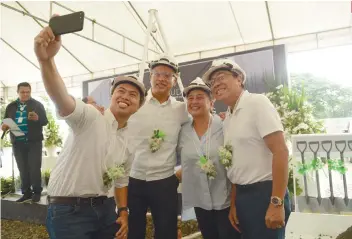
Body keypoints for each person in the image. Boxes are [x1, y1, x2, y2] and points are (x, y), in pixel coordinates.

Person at [34, 25, 146, 239]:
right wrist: (46, 61)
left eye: (133, 95)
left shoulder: (130, 139)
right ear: (111, 96)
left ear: (138, 106)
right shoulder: (91, 116)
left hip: (106, 210)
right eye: (120, 91)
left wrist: (123, 212)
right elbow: (61, 97)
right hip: (69, 212)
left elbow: (121, 180)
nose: (125, 96)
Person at [202, 59, 291, 239]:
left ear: (239, 79)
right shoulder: (228, 116)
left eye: (221, 77)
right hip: (242, 195)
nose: (216, 84)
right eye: (212, 82)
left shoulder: (257, 103)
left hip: (266, 193)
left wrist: (276, 202)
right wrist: (234, 203)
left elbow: (281, 151)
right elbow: (236, 163)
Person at [127, 55, 189, 239]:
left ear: (174, 80)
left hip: (165, 181)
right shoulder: (135, 104)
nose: (162, 78)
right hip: (133, 179)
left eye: (167, 75)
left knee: (166, 231)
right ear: (150, 76)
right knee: (133, 231)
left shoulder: (182, 110)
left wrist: (182, 170)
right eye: (157, 74)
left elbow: (197, 134)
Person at [176, 78, 241, 239]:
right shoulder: (182, 131)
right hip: (200, 202)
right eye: (190, 98)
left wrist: (235, 203)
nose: (194, 101)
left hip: (225, 200)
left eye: (199, 97)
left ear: (211, 102)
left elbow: (237, 164)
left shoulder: (225, 125)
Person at [1, 82, 48, 203]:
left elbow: (44, 121)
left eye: (28, 92)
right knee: (22, 168)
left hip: (34, 142)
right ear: (17, 92)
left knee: (34, 168)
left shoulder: (37, 105)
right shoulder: (11, 106)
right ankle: (26, 192)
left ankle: (36, 192)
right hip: (17, 142)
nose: (25, 94)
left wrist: (38, 118)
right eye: (23, 92)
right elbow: (5, 121)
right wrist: (4, 126)